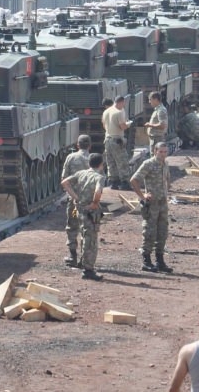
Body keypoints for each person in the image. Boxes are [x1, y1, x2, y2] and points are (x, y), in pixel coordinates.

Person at [60, 153, 106, 281]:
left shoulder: (81, 173)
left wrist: (76, 197)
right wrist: (95, 203)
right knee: (90, 240)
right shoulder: (99, 177)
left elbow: (65, 182)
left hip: (79, 209)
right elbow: (98, 191)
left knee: (84, 235)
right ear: (101, 164)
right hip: (91, 212)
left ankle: (82, 262)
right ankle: (88, 269)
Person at [130, 142, 173, 273]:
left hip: (162, 203)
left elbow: (167, 179)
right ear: (155, 151)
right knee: (149, 231)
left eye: (165, 152)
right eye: (161, 152)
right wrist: (142, 196)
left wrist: (167, 191)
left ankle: (160, 260)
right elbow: (134, 180)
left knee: (162, 232)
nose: (163, 154)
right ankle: (146, 260)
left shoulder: (165, 164)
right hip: (152, 204)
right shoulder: (148, 164)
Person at [60, 134, 92, 268]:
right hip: (89, 201)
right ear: (90, 145)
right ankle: (85, 259)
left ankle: (73, 256)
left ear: (77, 145)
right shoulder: (93, 159)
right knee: (88, 229)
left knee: (72, 227)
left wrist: (74, 196)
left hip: (74, 200)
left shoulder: (71, 157)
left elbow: (64, 178)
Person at [101, 95, 132, 189]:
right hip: (117, 139)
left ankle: (114, 182)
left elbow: (103, 124)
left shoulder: (106, 111)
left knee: (111, 162)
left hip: (107, 139)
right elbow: (122, 126)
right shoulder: (119, 112)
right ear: (121, 102)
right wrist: (128, 124)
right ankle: (125, 183)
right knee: (122, 161)